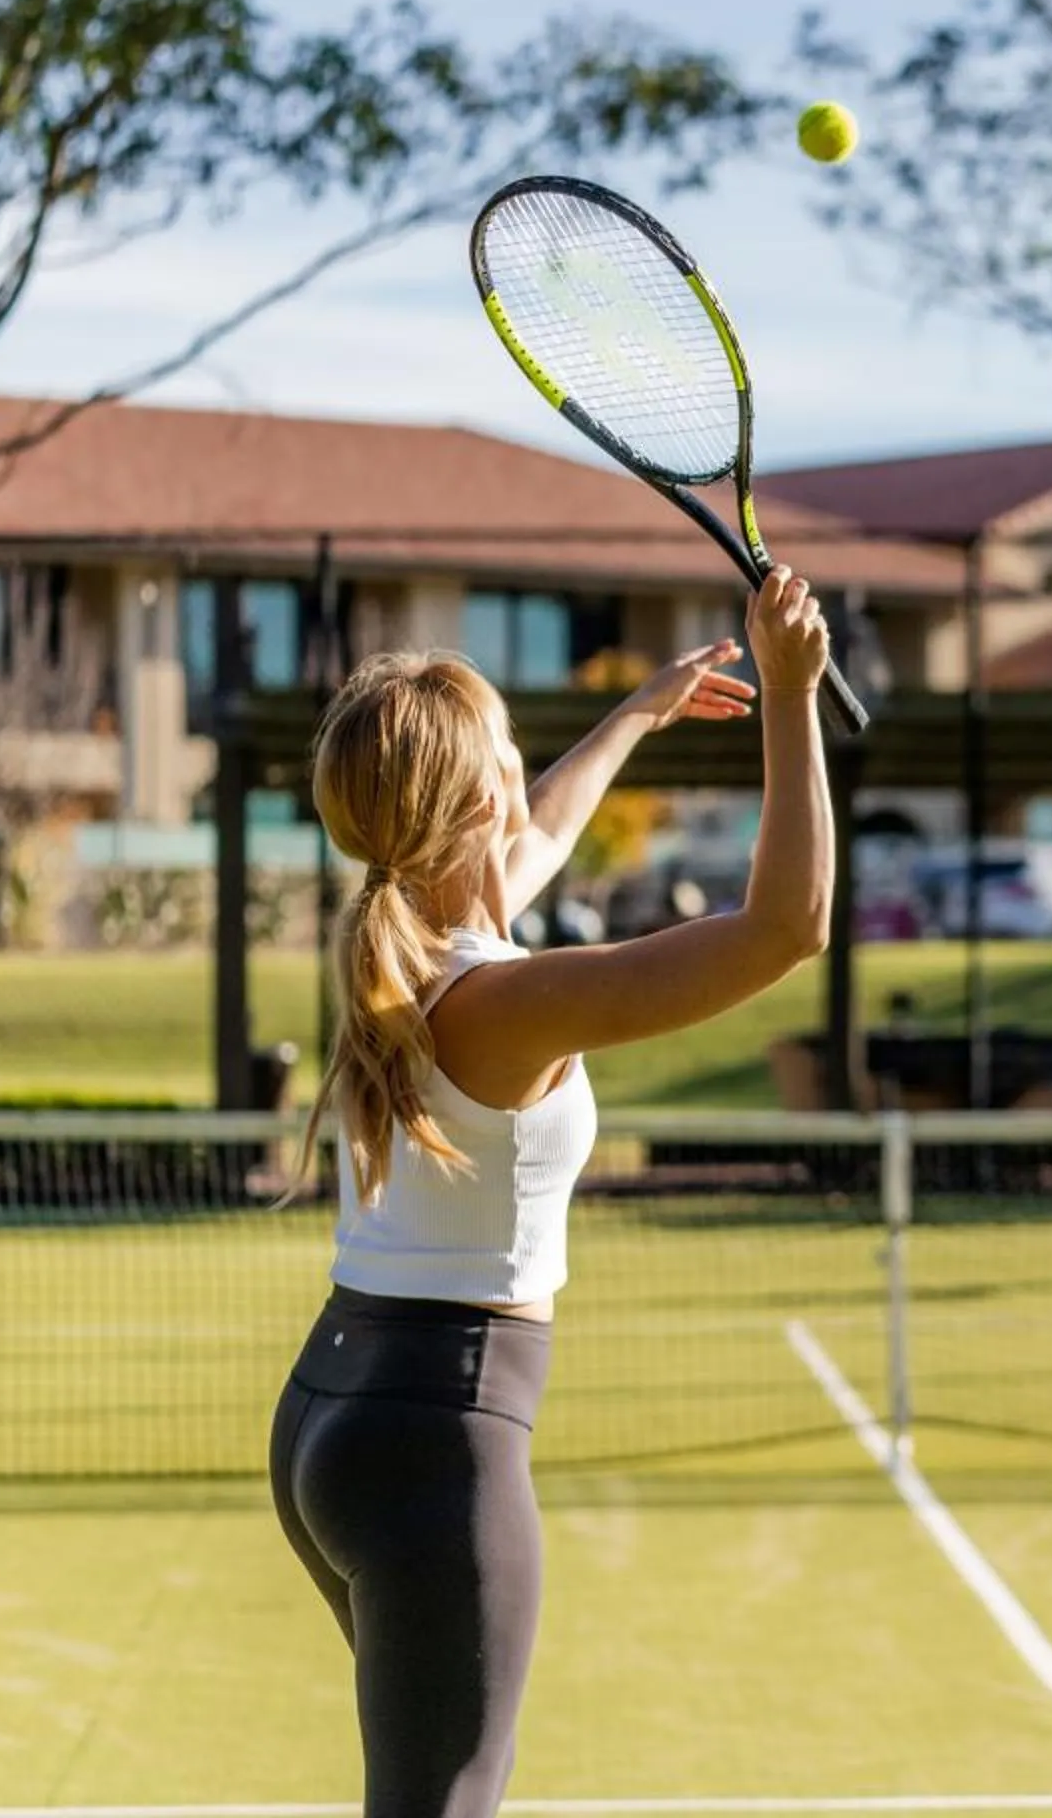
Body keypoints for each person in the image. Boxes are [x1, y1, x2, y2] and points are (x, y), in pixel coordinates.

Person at [267, 572, 832, 1818]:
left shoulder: (408, 940)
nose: (530, 769)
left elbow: (534, 844)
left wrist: (638, 712)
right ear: (478, 795)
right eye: (513, 748)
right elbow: (785, 926)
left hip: (330, 1405)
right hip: (437, 1440)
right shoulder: (503, 1001)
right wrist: (790, 697)